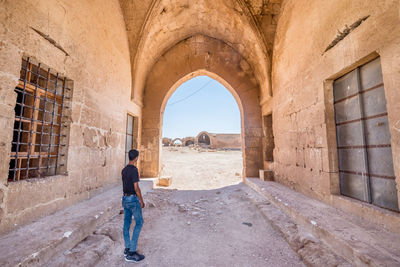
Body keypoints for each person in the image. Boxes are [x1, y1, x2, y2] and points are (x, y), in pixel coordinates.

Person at [122, 149, 145, 262]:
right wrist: (141, 200)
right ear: (136, 158)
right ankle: (132, 252)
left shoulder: (124, 170)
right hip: (132, 199)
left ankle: (127, 247)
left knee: (126, 223)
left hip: (125, 199)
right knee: (139, 222)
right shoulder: (134, 170)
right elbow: (136, 188)